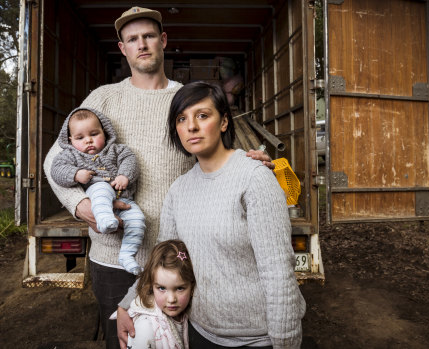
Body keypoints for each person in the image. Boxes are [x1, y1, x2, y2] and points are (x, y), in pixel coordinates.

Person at [42, 6, 273, 348]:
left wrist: (250, 162)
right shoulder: (102, 99)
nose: (142, 44)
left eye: (149, 36)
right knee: (125, 341)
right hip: (114, 257)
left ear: (163, 40)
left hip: (179, 258)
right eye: (132, 39)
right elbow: (53, 160)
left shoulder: (185, 100)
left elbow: (218, 156)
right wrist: (81, 205)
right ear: (122, 48)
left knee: (178, 342)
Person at [117, 82, 306, 349]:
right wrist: (127, 304)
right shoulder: (179, 189)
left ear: (224, 122)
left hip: (256, 338)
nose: (191, 126)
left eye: (202, 115)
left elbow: (278, 270)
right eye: (182, 119)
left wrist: (285, 342)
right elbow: (162, 260)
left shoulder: (253, 177)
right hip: (200, 333)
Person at [50, 108, 145, 275]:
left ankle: (127, 255)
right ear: (70, 140)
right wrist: (76, 174)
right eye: (80, 138)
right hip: (96, 196)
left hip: (125, 200)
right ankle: (104, 219)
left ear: (105, 133)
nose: (88, 141)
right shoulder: (70, 155)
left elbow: (130, 160)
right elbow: (57, 170)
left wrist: (124, 176)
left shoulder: (117, 150)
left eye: (94, 134)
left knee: (138, 220)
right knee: (102, 187)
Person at [111, 240, 195, 349]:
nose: (171, 299)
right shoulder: (145, 328)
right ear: (151, 285)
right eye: (161, 288)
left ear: (192, 287)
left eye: (179, 288)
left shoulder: (184, 316)